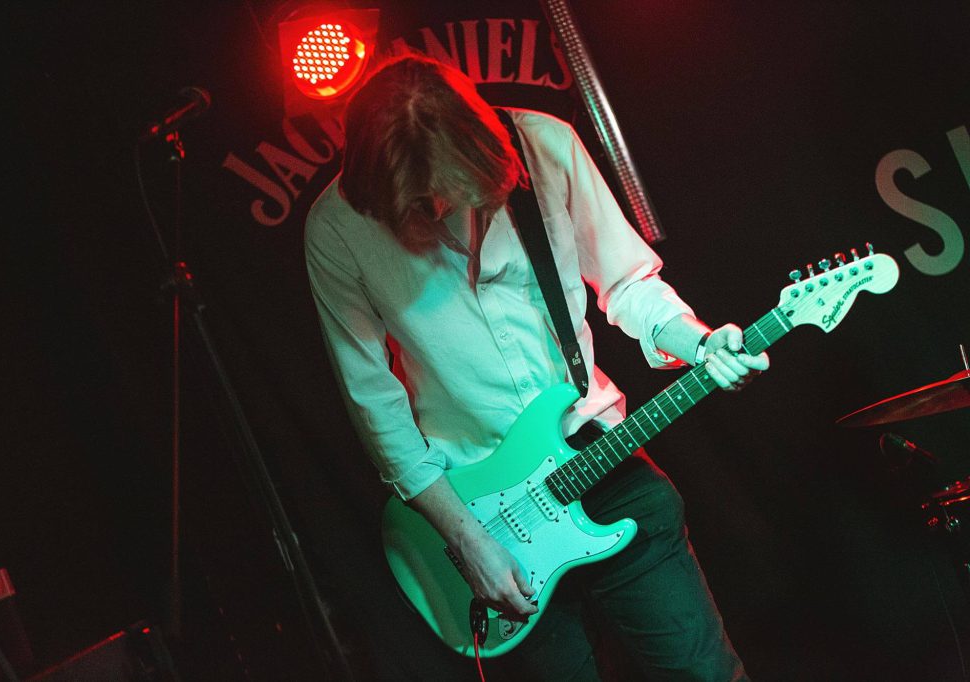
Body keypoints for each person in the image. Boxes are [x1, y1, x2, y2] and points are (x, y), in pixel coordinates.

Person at [304, 54, 768, 681]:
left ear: (477, 157)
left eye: (444, 193)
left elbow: (628, 283)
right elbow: (374, 404)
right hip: (480, 514)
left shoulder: (546, 147)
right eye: (413, 206)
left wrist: (701, 343)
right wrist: (467, 542)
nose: (433, 212)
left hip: (597, 455)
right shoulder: (336, 227)